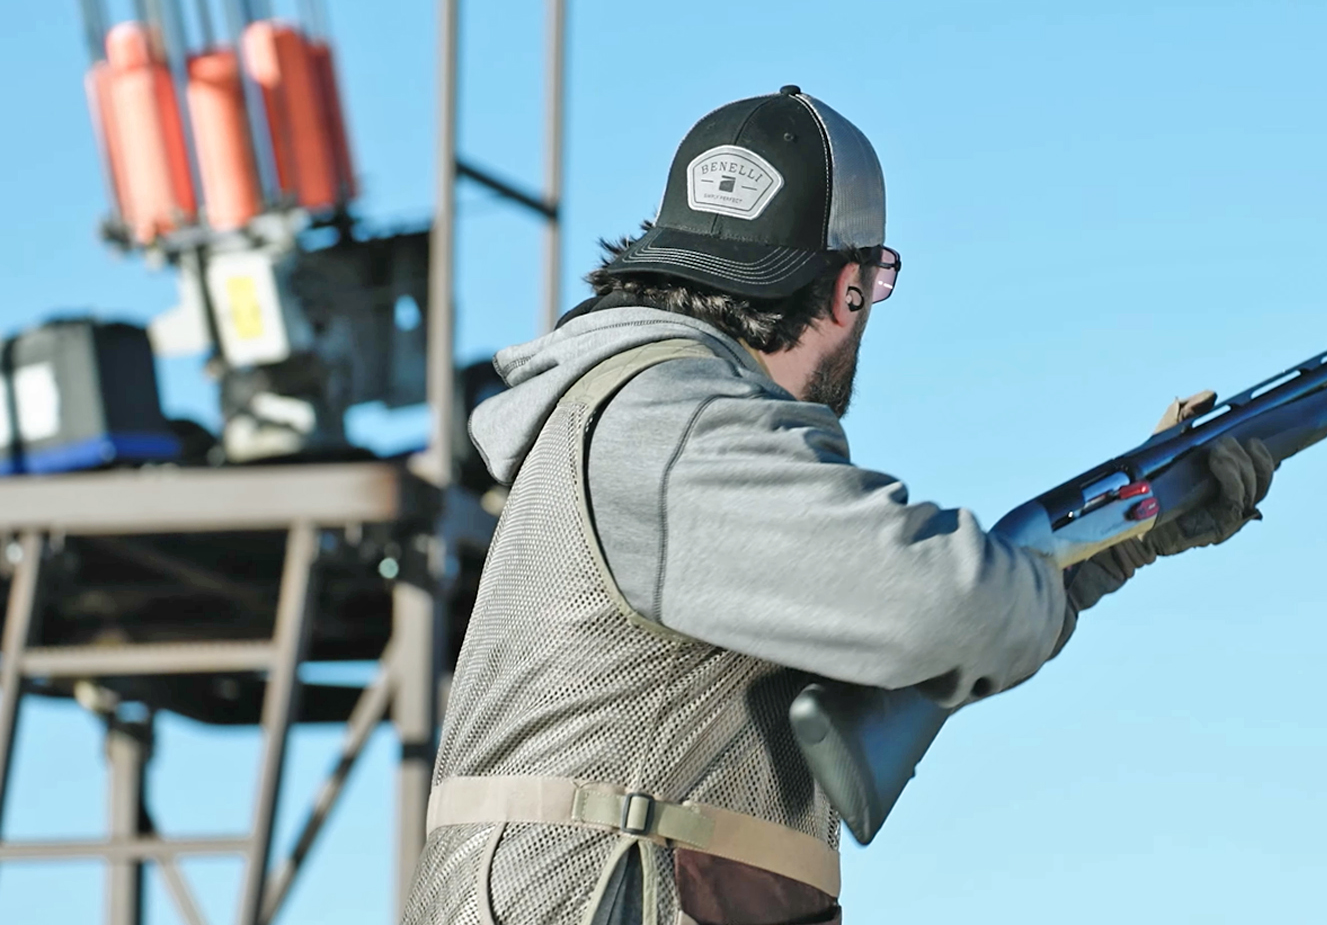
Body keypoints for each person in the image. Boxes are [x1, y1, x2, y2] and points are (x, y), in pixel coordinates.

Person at [401, 86, 1276, 925]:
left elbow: (889, 651)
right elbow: (947, 604)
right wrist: (1029, 575)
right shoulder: (676, 424)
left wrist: (1127, 531)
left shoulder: (666, 428)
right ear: (849, 288)